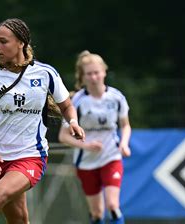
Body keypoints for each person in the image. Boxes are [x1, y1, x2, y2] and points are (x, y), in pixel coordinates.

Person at [0, 18, 85, 224]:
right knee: (19, 219)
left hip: (30, 156)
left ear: (21, 42)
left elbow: (66, 106)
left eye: (4, 41)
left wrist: (73, 122)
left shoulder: (45, 73)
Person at [58, 50, 131, 224]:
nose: (94, 77)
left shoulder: (117, 97)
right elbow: (63, 136)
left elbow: (125, 125)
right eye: (89, 74)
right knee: (97, 213)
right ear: (82, 77)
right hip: (86, 162)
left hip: (111, 156)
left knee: (112, 206)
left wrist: (124, 144)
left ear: (104, 72)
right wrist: (86, 145)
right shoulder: (76, 102)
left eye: (97, 72)